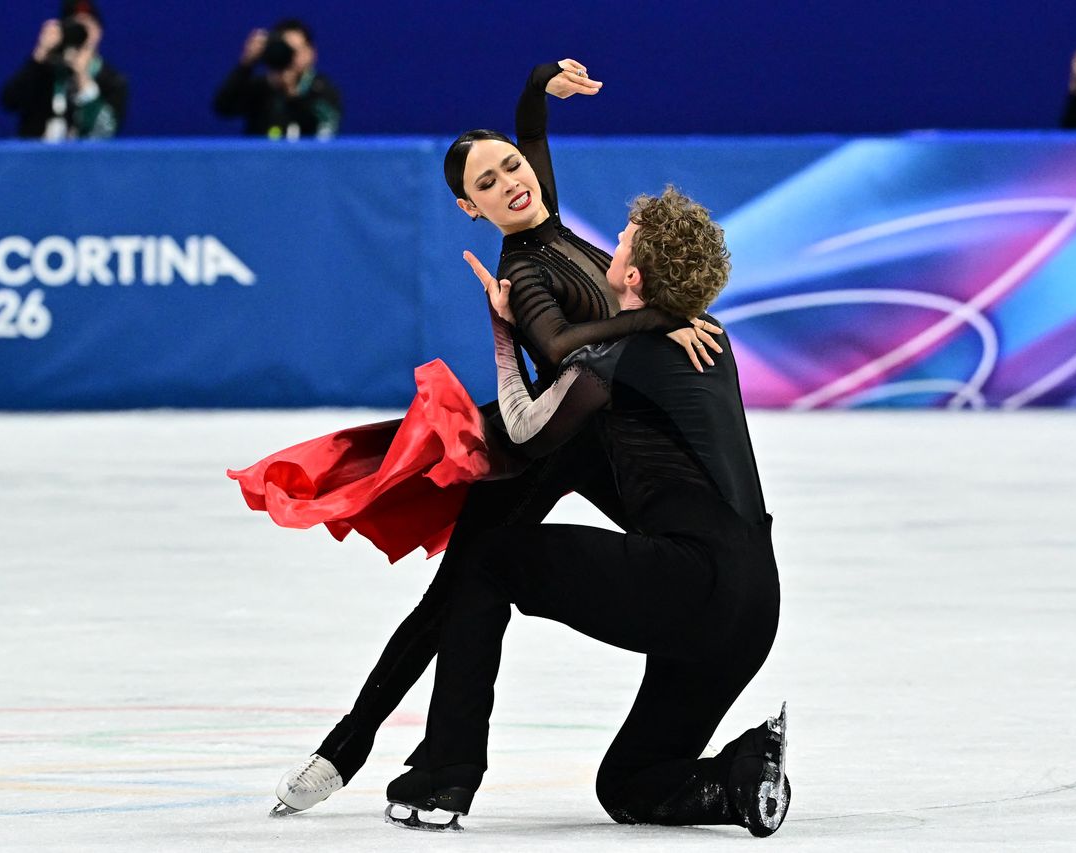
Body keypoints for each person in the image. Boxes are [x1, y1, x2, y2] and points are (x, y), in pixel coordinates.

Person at [242, 60, 722, 815]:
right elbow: (564, 349)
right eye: (489, 183)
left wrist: (539, 84)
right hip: (541, 448)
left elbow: (533, 130)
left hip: (601, 442)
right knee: (452, 599)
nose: (511, 181)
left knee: (692, 552)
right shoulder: (524, 270)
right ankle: (349, 746)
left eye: (512, 166)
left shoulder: (550, 219)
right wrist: (660, 317)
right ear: (470, 208)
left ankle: (433, 753)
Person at [385, 187, 788, 836]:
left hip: (691, 580)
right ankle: (737, 777)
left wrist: (500, 328)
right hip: (754, 605)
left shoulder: (614, 361)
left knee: (489, 560)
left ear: (631, 275)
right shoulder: (709, 338)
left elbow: (524, 430)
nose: (611, 243)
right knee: (629, 782)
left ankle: (446, 774)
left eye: (623, 239)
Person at [0, 0, 127, 140]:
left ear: (99, 32)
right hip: (37, 157)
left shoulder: (111, 80)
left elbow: (105, 132)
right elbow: (9, 101)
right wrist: (39, 55)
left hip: (84, 159)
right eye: (75, 27)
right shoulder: (44, 71)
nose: (82, 35)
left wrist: (82, 77)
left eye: (88, 27)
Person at [213, 19, 343, 139]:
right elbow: (223, 107)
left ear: (310, 53)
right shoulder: (262, 87)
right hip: (260, 161)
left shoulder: (321, 89)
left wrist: (292, 94)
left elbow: (326, 129)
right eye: (285, 49)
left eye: (295, 50)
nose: (290, 57)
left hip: (307, 161)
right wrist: (246, 64)